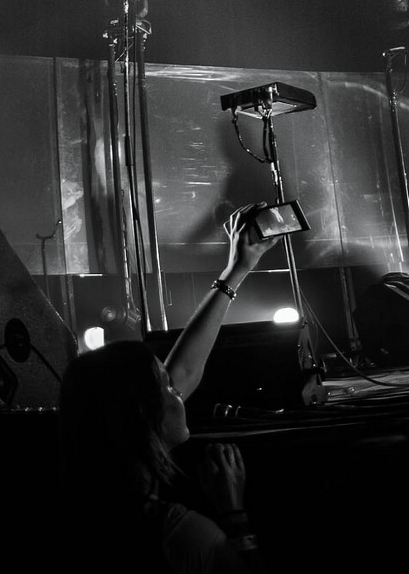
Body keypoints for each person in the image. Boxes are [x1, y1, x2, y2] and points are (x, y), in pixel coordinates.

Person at [58, 202, 276, 567]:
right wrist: (234, 513)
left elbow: (184, 371)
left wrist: (237, 270)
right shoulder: (184, 536)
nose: (180, 392)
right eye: (169, 389)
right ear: (143, 415)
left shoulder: (84, 510)